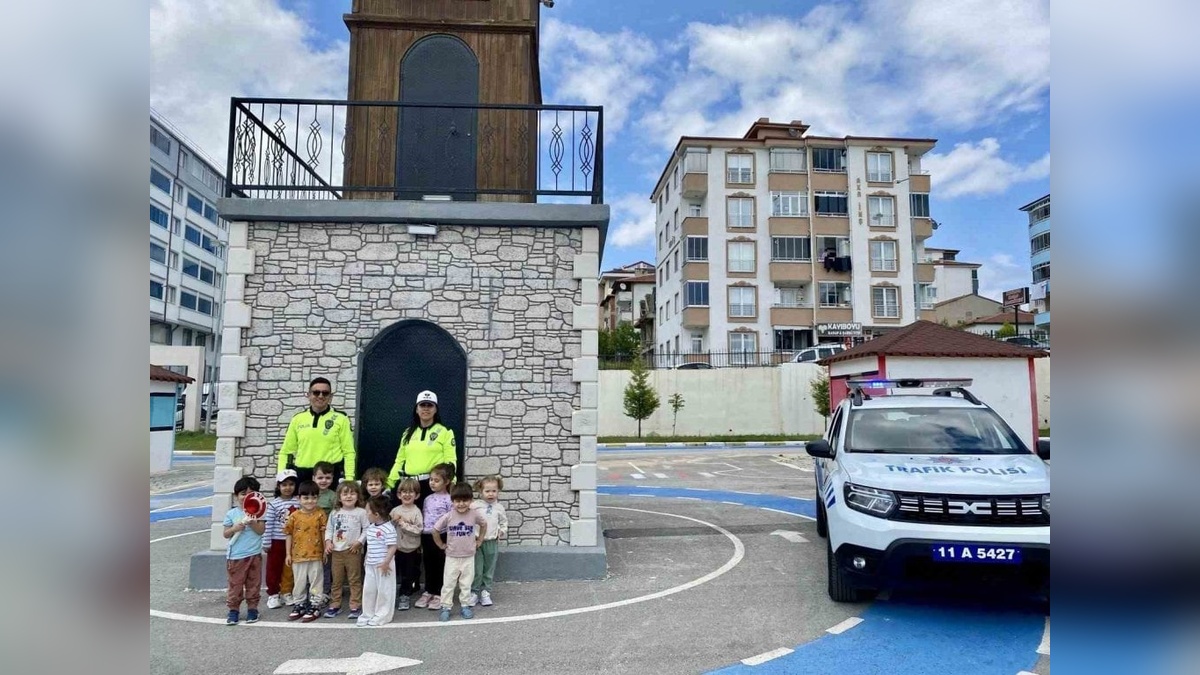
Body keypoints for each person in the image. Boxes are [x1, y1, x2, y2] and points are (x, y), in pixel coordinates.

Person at [277, 377, 357, 485]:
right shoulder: (297, 419)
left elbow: (349, 452)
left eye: (325, 393)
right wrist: (281, 477)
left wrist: (349, 479)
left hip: (329, 476)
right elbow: (286, 452)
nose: (320, 396)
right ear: (308, 395)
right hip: (303, 476)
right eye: (316, 392)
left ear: (330, 397)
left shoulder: (341, 419)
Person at [386, 390, 456, 506]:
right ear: (417, 409)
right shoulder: (407, 433)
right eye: (422, 405)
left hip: (432, 485)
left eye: (430, 405)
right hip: (409, 486)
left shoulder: (445, 432)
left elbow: (450, 460)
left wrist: (451, 482)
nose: (426, 409)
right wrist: (390, 484)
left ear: (436, 409)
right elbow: (399, 461)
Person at [433, 482, 487, 622]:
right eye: (457, 501)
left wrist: (480, 540)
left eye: (465, 500)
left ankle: (465, 606)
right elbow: (435, 530)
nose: (461, 504)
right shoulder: (449, 516)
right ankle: (446, 607)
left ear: (471, 500)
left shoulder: (474, 514)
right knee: (448, 583)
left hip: (469, 556)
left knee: (466, 583)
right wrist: (441, 545)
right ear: (452, 501)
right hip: (452, 556)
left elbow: (484, 524)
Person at [223, 476, 266, 625]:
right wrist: (235, 528)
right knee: (235, 585)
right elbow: (225, 534)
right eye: (243, 494)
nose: (246, 497)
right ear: (236, 496)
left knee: (253, 584)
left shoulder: (260, 512)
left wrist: (253, 523)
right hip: (236, 556)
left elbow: (261, 531)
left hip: (254, 555)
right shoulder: (232, 514)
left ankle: (252, 609)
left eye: (250, 494)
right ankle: (233, 610)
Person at [284, 481, 328, 622]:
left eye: (313, 497)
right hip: (298, 556)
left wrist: (325, 550)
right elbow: (289, 534)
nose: (310, 501)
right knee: (299, 581)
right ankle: (299, 603)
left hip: (316, 555)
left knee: (316, 581)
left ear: (318, 498)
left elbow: (323, 533)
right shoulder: (294, 516)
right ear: (299, 498)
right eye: (306, 498)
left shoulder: (320, 514)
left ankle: (315, 604)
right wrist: (288, 554)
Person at [324, 481, 368, 619]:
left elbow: (367, 529)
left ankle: (355, 605)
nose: (349, 496)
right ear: (339, 497)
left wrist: (359, 542)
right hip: (336, 552)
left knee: (354, 579)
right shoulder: (335, 513)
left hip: (352, 551)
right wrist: (328, 542)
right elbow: (329, 529)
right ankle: (335, 604)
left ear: (358, 496)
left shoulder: (361, 512)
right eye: (345, 494)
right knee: (336, 580)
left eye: (352, 493)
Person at [413, 463, 454, 610]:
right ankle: (429, 590)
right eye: (431, 479)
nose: (432, 483)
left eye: (436, 480)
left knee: (440, 564)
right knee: (428, 563)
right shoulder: (427, 499)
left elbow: (452, 520)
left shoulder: (449, 499)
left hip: (442, 536)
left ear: (446, 481)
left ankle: (439, 592)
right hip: (427, 535)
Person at [468, 475, 507, 607]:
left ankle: (486, 592)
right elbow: (468, 519)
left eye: (494, 491)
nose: (491, 494)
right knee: (477, 568)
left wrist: (502, 530)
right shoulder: (475, 506)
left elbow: (504, 522)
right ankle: (474, 592)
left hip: (491, 542)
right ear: (481, 491)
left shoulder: (499, 508)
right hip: (477, 542)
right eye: (487, 491)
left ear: (498, 491)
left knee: (489, 569)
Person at [358, 496, 397, 627]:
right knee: (369, 590)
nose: (366, 514)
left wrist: (386, 562)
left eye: (367, 511)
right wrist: (366, 560)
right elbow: (370, 546)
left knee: (384, 591)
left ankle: (383, 615)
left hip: (384, 565)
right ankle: (367, 614)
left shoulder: (388, 528)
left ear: (376, 514)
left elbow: (392, 547)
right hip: (371, 564)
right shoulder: (371, 528)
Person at [264, 470, 300, 609]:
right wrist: (267, 542)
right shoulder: (274, 504)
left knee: (289, 569)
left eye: (291, 484)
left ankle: (286, 592)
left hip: (293, 542)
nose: (288, 488)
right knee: (274, 568)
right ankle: (273, 594)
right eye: (284, 485)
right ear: (278, 486)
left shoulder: (298, 502)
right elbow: (269, 524)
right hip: (276, 541)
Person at [388, 477, 423, 611]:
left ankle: (405, 595)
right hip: (396, 548)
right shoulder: (395, 510)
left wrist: (403, 524)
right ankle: (392, 594)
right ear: (399, 494)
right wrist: (393, 522)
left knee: (409, 574)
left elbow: (418, 530)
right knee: (394, 572)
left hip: (411, 549)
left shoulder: (416, 511)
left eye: (411, 492)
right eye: (404, 492)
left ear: (416, 495)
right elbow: (387, 528)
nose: (407, 495)